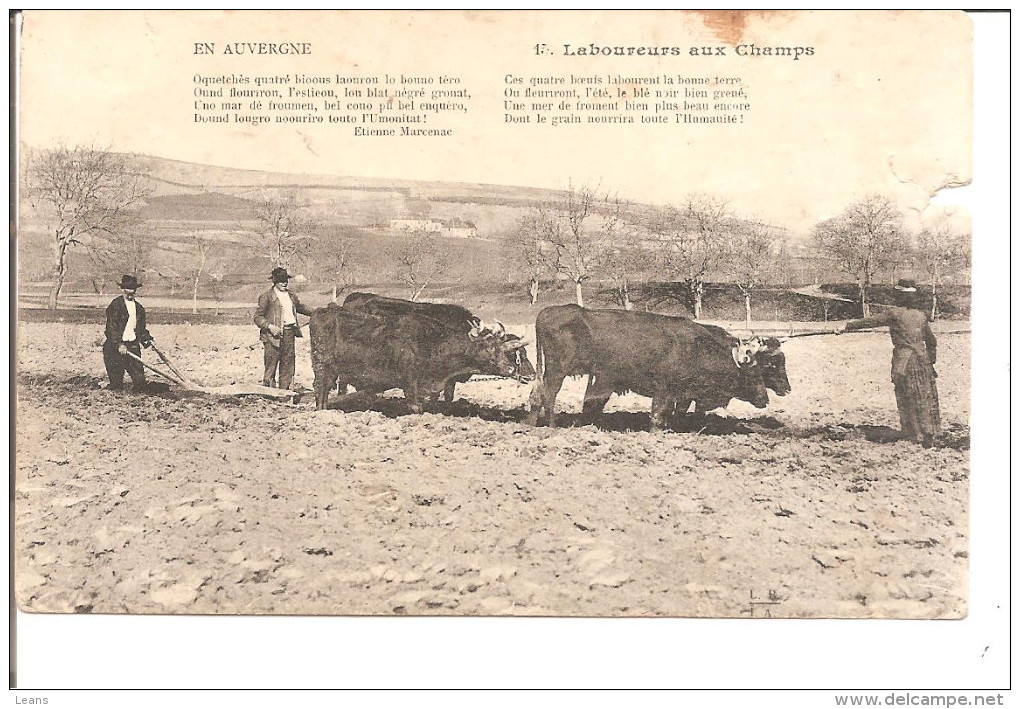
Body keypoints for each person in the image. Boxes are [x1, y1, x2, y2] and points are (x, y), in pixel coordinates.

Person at [835, 278, 941, 447]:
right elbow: (932, 341)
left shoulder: (894, 314)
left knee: (906, 394)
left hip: (904, 362)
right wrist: (930, 361)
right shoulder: (921, 316)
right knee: (925, 395)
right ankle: (929, 432)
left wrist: (846, 326)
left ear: (899, 296)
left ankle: (912, 433)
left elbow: (870, 321)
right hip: (923, 362)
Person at [254, 267, 313, 389]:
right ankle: (269, 394)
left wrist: (318, 312)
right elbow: (257, 317)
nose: (284, 283)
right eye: (281, 280)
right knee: (271, 366)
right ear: (274, 281)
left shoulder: (291, 295)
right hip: (272, 337)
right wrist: (270, 326)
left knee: (288, 365)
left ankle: (285, 394)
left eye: (286, 280)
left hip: (289, 333)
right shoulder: (267, 297)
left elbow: (300, 307)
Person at [103, 274, 154, 392]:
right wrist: (119, 345)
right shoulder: (115, 305)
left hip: (132, 347)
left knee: (140, 383)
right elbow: (110, 329)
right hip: (115, 349)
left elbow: (141, 329)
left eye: (133, 290)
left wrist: (148, 339)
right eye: (128, 289)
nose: (131, 292)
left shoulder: (139, 308)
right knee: (116, 386)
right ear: (122, 290)